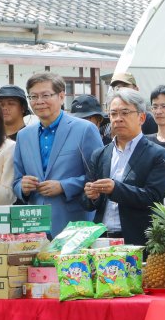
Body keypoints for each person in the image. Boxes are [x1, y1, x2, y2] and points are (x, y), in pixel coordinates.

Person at [12, 72, 103, 237]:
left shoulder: (85, 129)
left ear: (61, 96)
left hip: (74, 225)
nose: (39, 101)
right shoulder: (23, 135)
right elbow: (16, 180)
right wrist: (23, 187)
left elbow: (98, 177)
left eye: (46, 95)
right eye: (33, 96)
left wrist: (64, 186)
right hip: (35, 226)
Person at [82, 89, 165, 247]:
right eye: (113, 113)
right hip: (102, 238)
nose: (118, 119)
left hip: (138, 240)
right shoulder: (100, 154)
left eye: (125, 113)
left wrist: (115, 188)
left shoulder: (157, 154)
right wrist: (92, 195)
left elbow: (153, 197)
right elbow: (87, 203)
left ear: (141, 117)